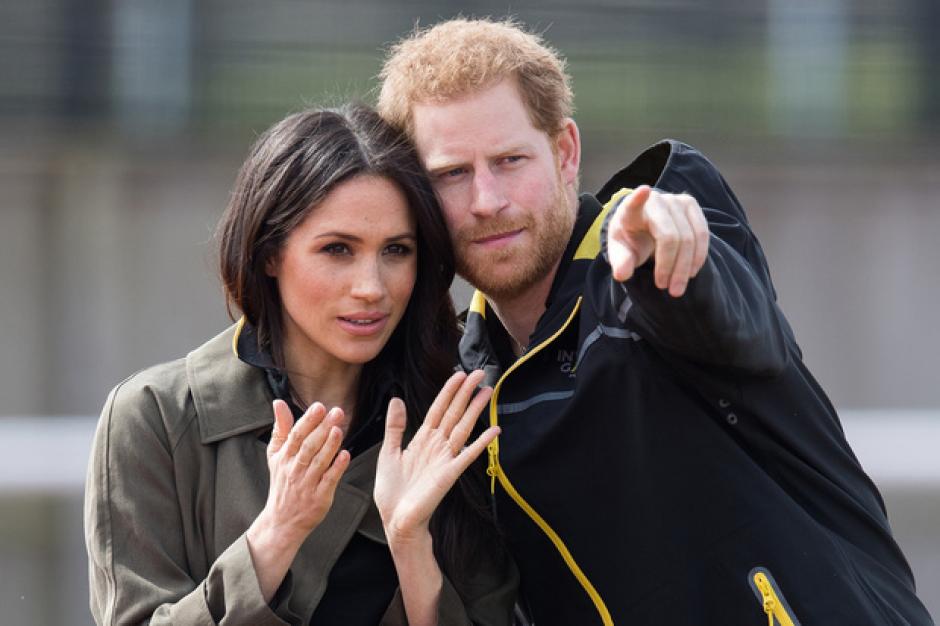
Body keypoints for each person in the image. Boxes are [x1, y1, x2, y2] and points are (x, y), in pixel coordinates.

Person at [377, 18, 934, 626]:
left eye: (510, 160)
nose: (487, 200)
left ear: (565, 153)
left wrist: (667, 264)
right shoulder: (460, 389)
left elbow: (723, 315)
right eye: (452, 174)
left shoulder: (639, 268)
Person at [83, 103, 518, 625]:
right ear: (270, 253)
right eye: (337, 249)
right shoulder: (156, 420)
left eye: (396, 250)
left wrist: (409, 543)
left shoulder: (454, 417)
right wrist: (278, 531)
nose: (371, 287)